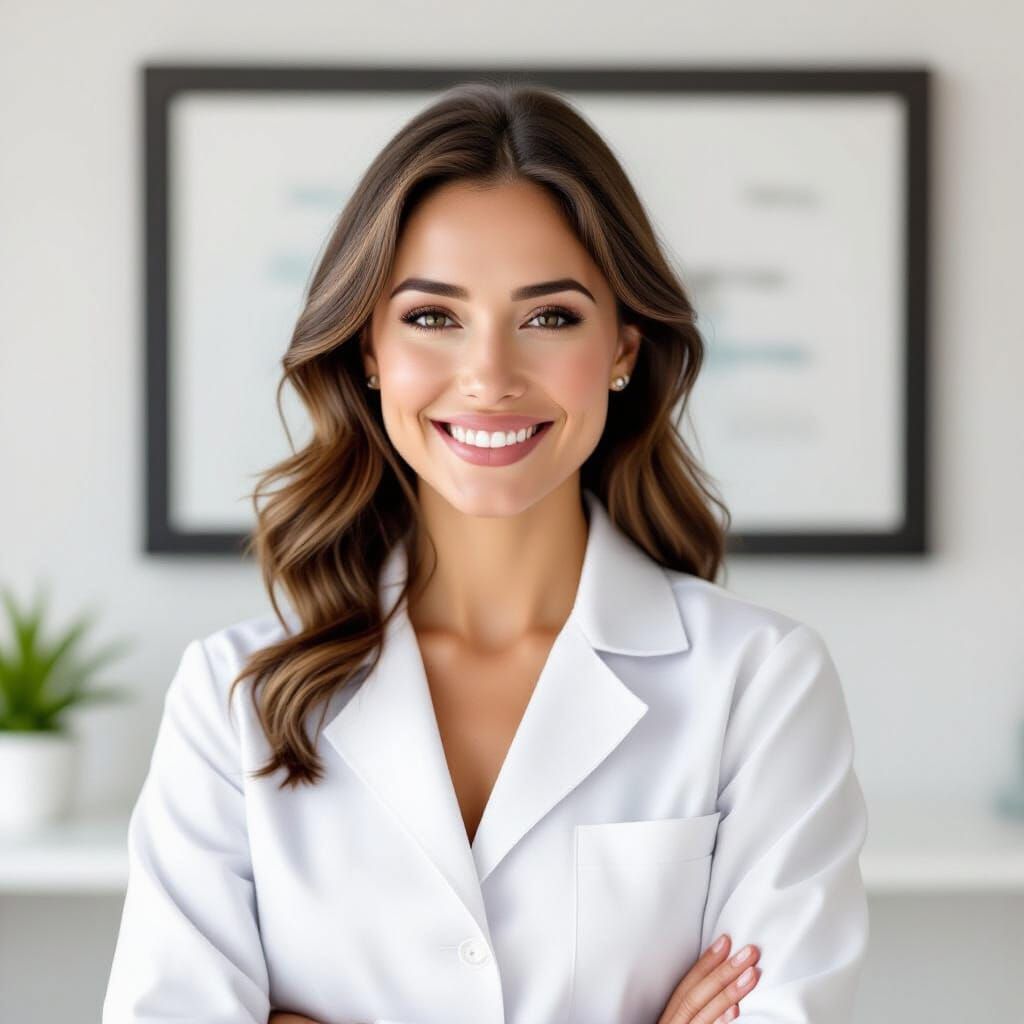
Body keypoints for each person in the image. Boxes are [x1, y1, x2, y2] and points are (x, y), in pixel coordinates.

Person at [102, 81, 869, 1024]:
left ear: (624, 347)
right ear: (370, 350)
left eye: (550, 317)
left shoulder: (759, 684)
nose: (491, 377)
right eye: (433, 316)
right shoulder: (236, 697)